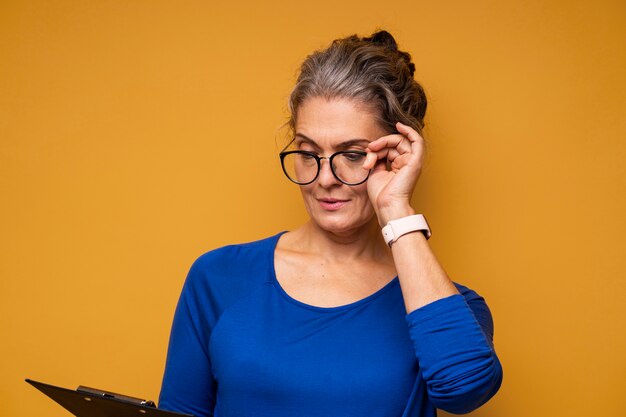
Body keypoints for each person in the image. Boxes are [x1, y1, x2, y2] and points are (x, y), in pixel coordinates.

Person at [158, 30, 503, 417]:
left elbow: (464, 388)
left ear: (395, 155)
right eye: (308, 153)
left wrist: (396, 207)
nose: (325, 178)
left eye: (352, 154)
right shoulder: (219, 278)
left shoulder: (442, 306)